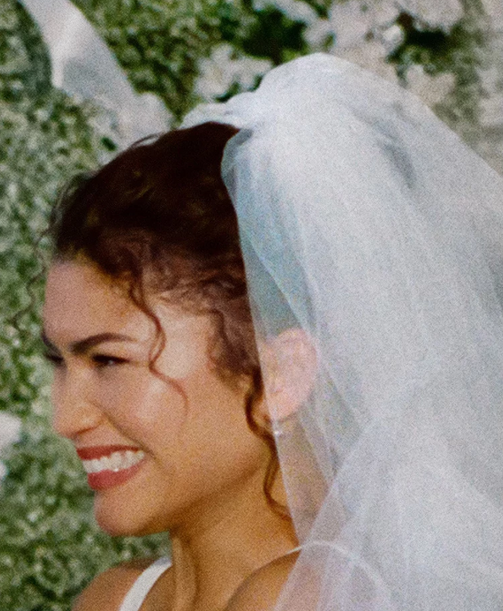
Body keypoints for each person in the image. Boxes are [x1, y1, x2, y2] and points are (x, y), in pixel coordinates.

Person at [42, 53, 503, 611]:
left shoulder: (316, 600)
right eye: (59, 361)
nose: (66, 419)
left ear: (280, 371)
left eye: (109, 360)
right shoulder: (116, 597)